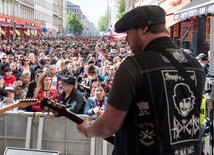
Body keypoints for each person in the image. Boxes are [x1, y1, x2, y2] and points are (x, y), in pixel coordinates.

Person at [76, 6, 205, 155]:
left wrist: (87, 130)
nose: (126, 39)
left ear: (144, 29)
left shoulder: (134, 66)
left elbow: (110, 125)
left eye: (128, 33)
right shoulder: (195, 65)